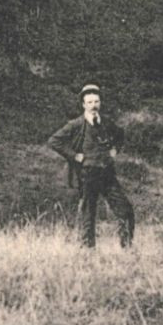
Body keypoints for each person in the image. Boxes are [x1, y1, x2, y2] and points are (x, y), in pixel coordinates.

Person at [48, 84, 135, 249]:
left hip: (107, 174)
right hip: (87, 174)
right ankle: (87, 251)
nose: (94, 105)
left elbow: (120, 135)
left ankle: (127, 248)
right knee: (88, 213)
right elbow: (54, 141)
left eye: (96, 101)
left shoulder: (107, 123)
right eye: (89, 102)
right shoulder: (76, 124)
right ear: (83, 105)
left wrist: (115, 149)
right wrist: (74, 155)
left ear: (100, 103)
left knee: (125, 209)